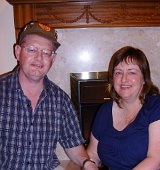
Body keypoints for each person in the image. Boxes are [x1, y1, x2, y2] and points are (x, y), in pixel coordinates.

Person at [0, 21, 98, 170]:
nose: (39, 57)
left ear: (53, 59)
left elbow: (73, 146)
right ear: (18, 52)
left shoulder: (61, 100)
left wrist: (87, 163)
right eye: (32, 49)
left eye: (46, 52)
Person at [87, 46, 160, 170]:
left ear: (144, 78)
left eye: (131, 72)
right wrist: (89, 164)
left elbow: (156, 160)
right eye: (118, 72)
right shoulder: (104, 111)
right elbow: (93, 154)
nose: (124, 79)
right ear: (113, 79)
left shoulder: (158, 106)